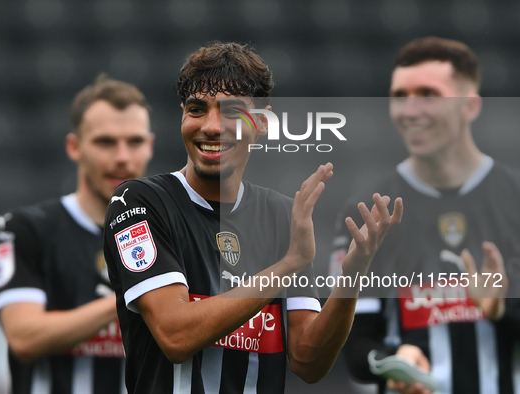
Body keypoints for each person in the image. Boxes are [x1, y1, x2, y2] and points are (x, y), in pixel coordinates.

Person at [102, 41, 403, 394]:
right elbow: (176, 334)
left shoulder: (279, 215)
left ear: (260, 123)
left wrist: (352, 276)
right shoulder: (139, 201)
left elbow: (308, 361)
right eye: (197, 109)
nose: (212, 127)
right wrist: (289, 264)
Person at [331, 37, 520, 394]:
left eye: (428, 94)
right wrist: (392, 359)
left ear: (470, 106)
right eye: (399, 96)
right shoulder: (366, 211)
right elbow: (354, 345)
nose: (409, 111)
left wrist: (501, 311)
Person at [0, 75, 154, 393]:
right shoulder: (24, 230)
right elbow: (24, 337)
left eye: (134, 141)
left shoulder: (168, 235)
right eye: (105, 142)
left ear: (149, 146)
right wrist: (132, 295)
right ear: (74, 147)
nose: (122, 157)